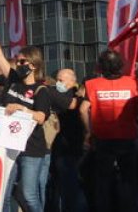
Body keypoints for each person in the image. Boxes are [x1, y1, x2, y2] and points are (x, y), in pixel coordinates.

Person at [0, 26, 54, 212]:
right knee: (3, 194)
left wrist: (22, 108)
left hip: (31, 148)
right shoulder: (13, 80)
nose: (18, 64)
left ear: (33, 65)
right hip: (8, 146)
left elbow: (40, 117)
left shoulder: (41, 90)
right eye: (17, 60)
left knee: (28, 195)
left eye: (22, 61)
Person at [81, 48, 138, 212]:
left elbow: (82, 109)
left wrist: (88, 131)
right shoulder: (133, 83)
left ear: (101, 66)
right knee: (129, 181)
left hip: (103, 138)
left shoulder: (92, 84)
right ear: (120, 65)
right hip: (127, 137)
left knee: (103, 182)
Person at [47, 68, 88, 212]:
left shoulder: (76, 98)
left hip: (72, 146)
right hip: (65, 145)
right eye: (57, 79)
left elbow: (74, 106)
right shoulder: (64, 96)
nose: (58, 83)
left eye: (61, 80)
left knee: (72, 185)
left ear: (72, 81)